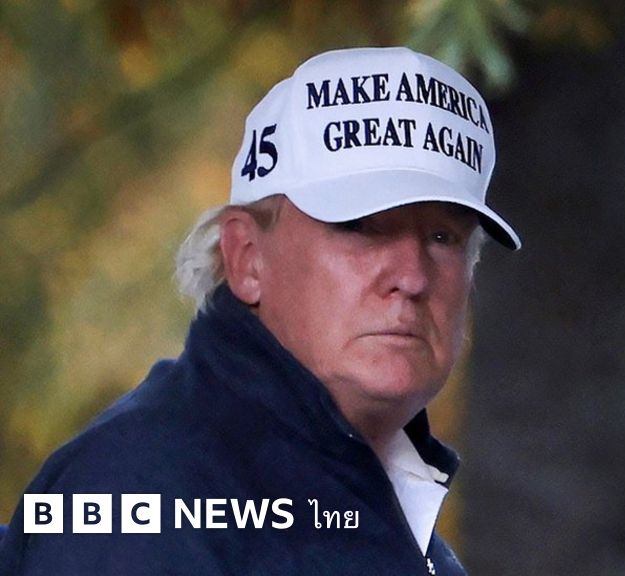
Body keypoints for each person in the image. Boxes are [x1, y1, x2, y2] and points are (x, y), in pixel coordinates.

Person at [0, 46, 520, 575]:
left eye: (443, 237)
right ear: (246, 258)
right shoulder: (139, 496)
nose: (412, 277)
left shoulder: (396, 523)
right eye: (361, 226)